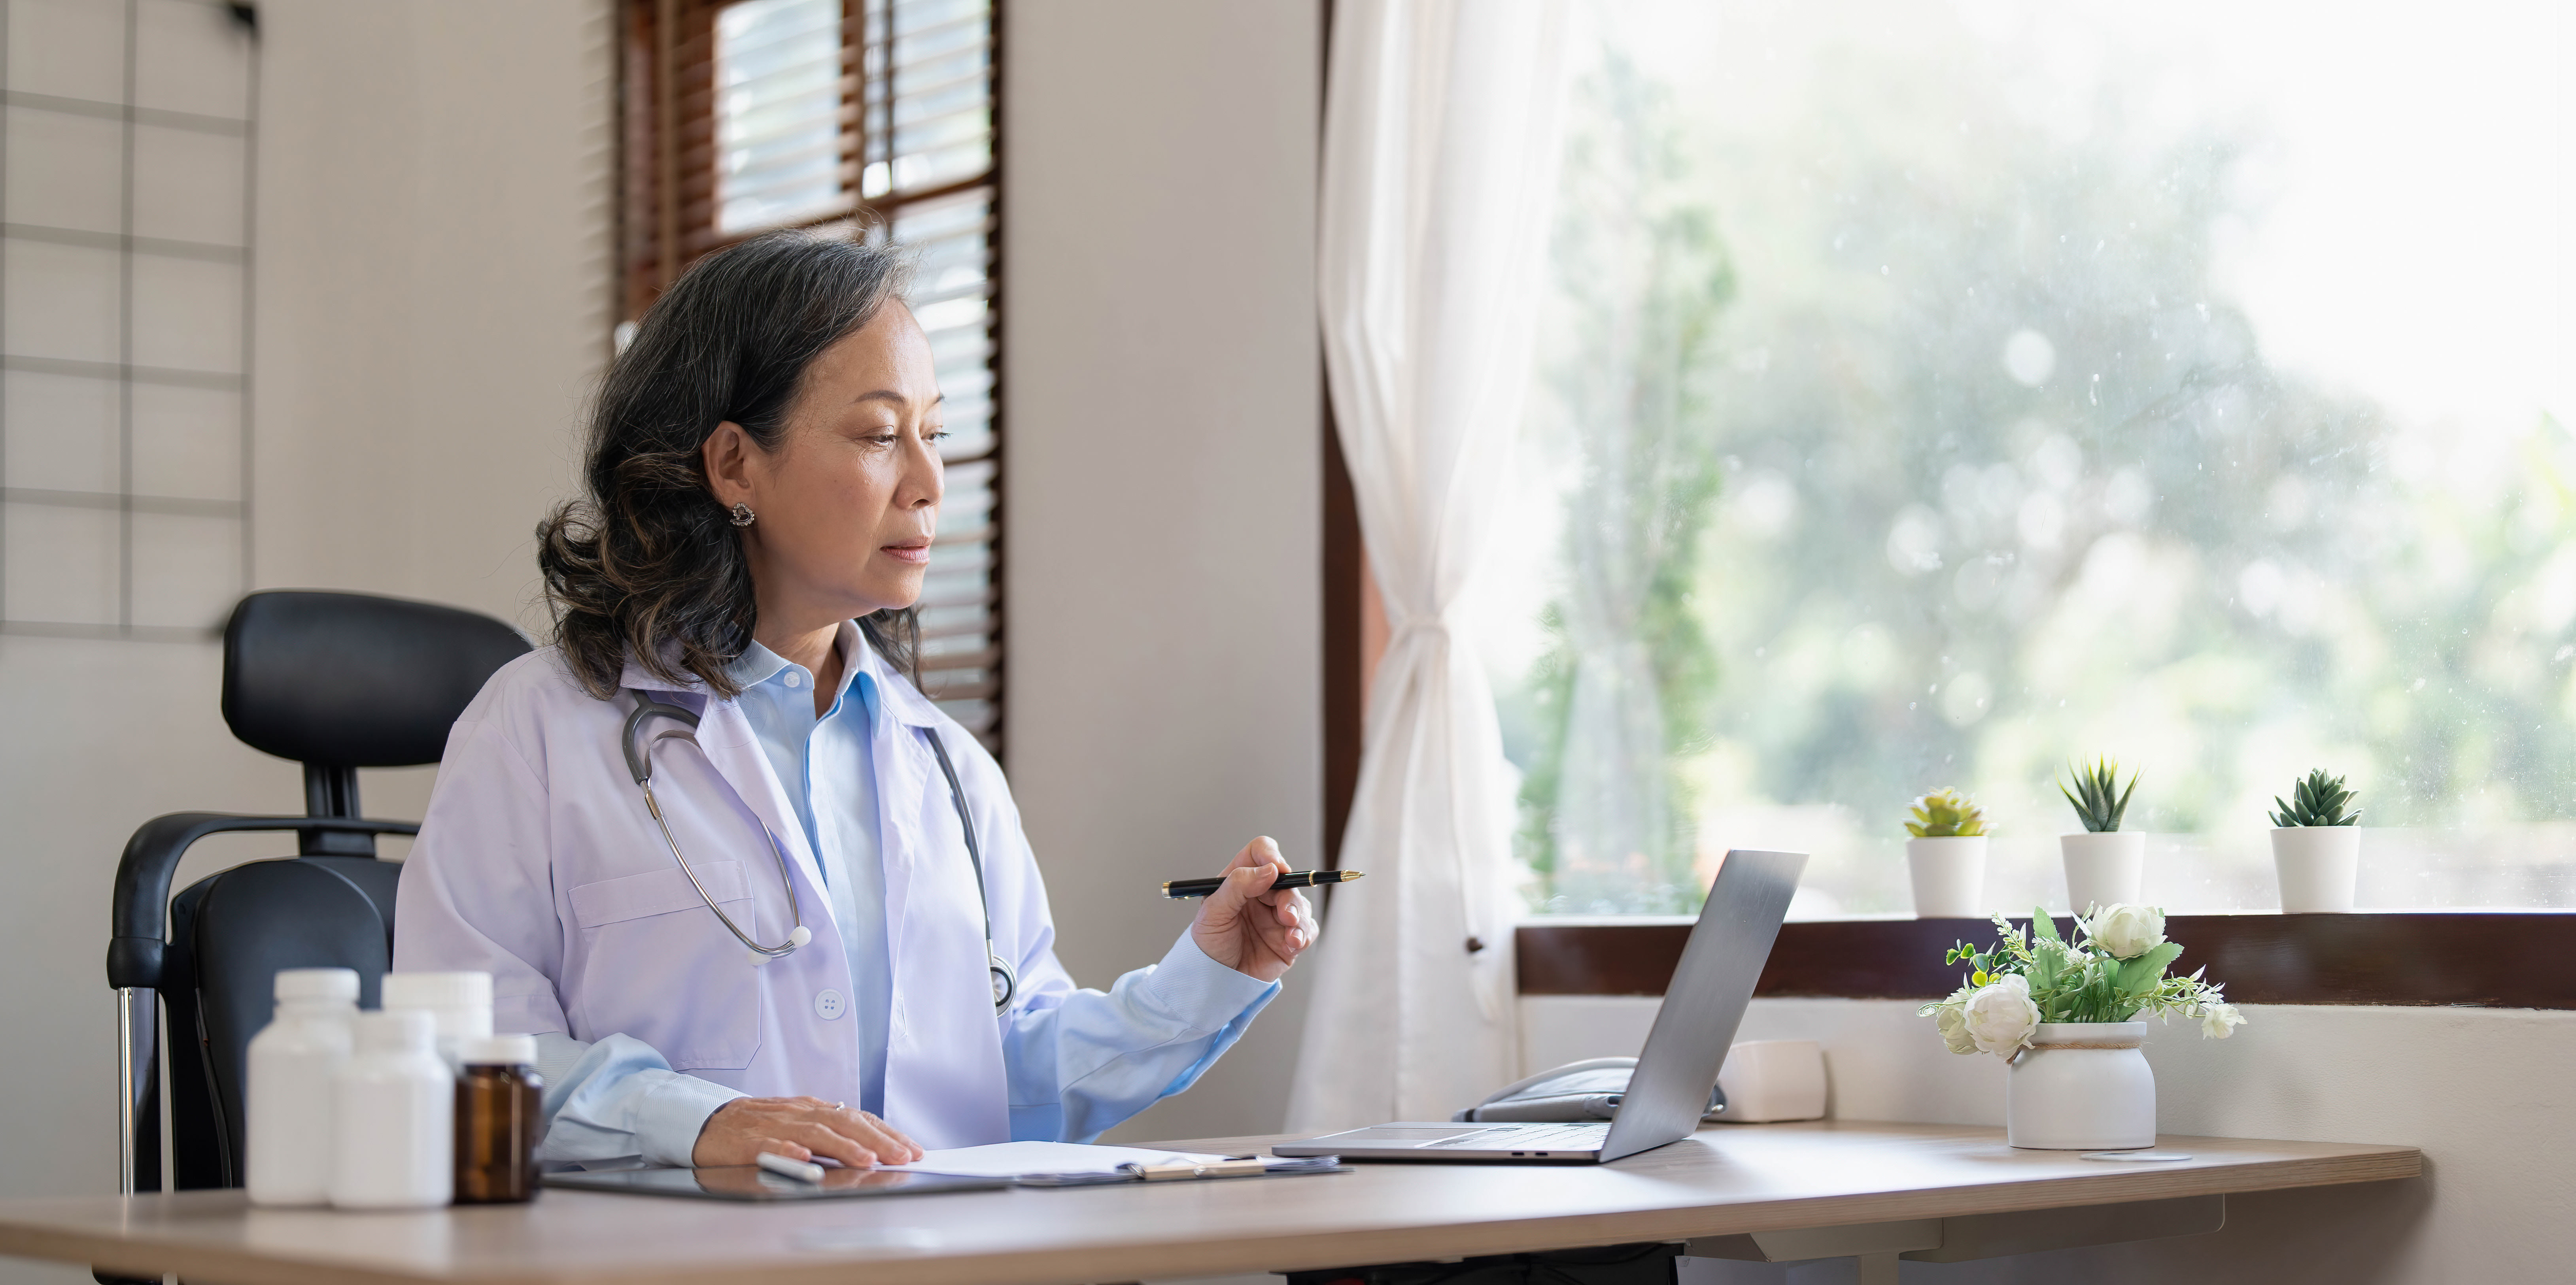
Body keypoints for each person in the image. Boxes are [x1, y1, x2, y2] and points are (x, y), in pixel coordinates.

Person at [392, 232, 1316, 1171]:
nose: (928, 482)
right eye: (881, 436)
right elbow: (464, 1051)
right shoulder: (540, 729)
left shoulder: (946, 763)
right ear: (734, 467)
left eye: (935, 433)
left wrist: (1205, 982)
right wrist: (695, 1123)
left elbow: (998, 1079)